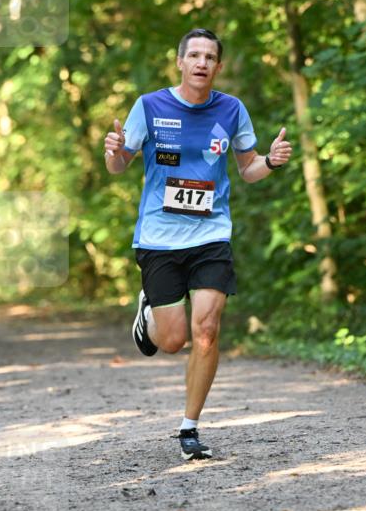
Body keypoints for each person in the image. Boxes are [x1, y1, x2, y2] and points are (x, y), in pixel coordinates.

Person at [104, 28, 292, 461]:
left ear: (218, 66)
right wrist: (113, 150)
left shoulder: (231, 109)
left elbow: (247, 168)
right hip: (158, 238)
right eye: (194, 55)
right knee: (172, 341)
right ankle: (149, 311)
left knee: (206, 330)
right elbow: (119, 165)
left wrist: (271, 162)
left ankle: (190, 427)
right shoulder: (149, 106)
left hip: (211, 235)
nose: (202, 63)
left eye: (210, 56)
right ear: (180, 61)